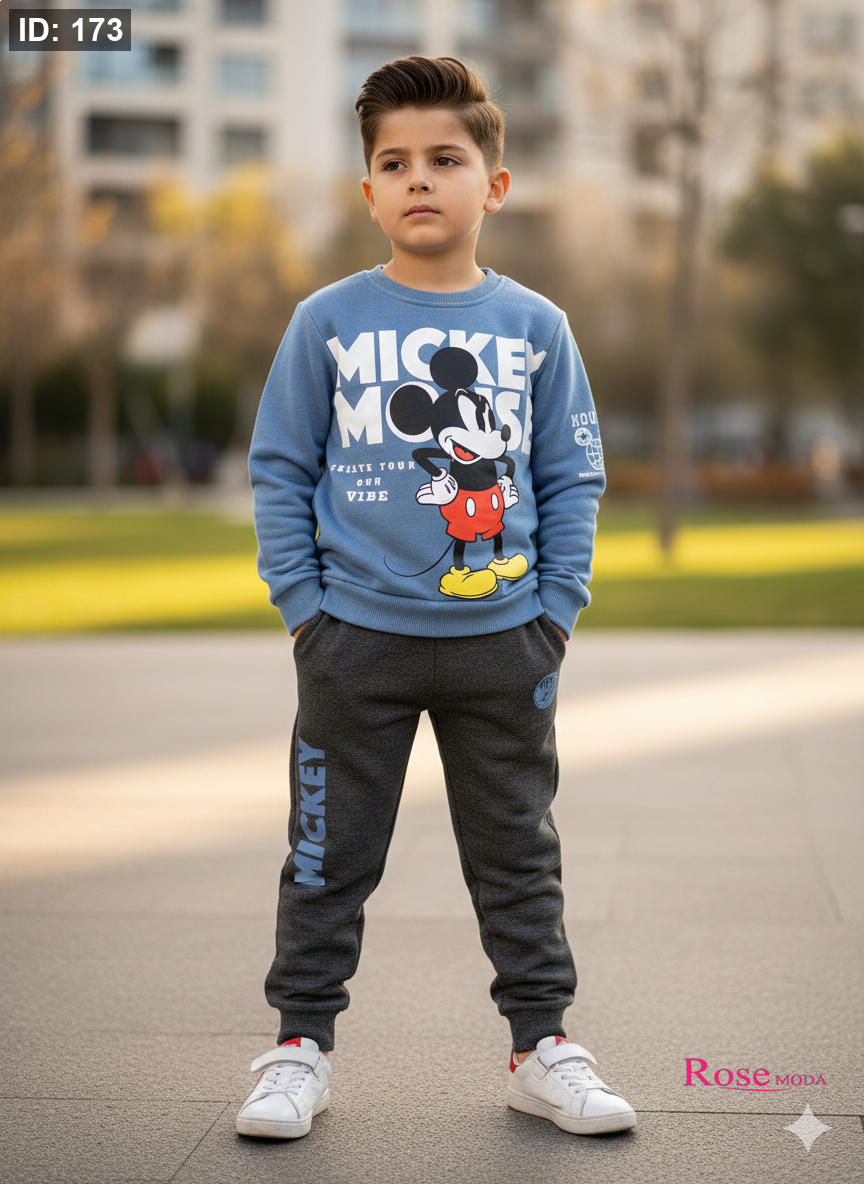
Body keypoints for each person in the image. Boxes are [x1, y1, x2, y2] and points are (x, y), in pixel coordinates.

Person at [237, 55, 636, 1141]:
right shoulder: (326, 321)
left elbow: (573, 474)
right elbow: (279, 467)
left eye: (446, 159)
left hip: (505, 644)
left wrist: (555, 610)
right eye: (395, 162)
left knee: (518, 854)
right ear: (368, 190)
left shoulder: (538, 326)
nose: (419, 178)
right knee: (326, 855)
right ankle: (298, 1048)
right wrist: (305, 609)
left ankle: (541, 1046)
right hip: (352, 644)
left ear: (493, 185)